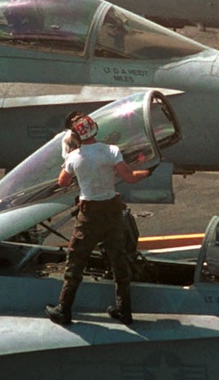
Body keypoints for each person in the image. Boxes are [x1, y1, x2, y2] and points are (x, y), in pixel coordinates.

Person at [44, 114, 151, 328]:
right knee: (118, 259)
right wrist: (146, 172)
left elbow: (62, 182)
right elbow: (129, 177)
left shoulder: (75, 157)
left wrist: (68, 158)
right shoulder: (112, 151)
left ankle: (64, 309)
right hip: (112, 210)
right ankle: (124, 310)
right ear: (96, 129)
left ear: (77, 135)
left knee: (76, 260)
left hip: (89, 214)